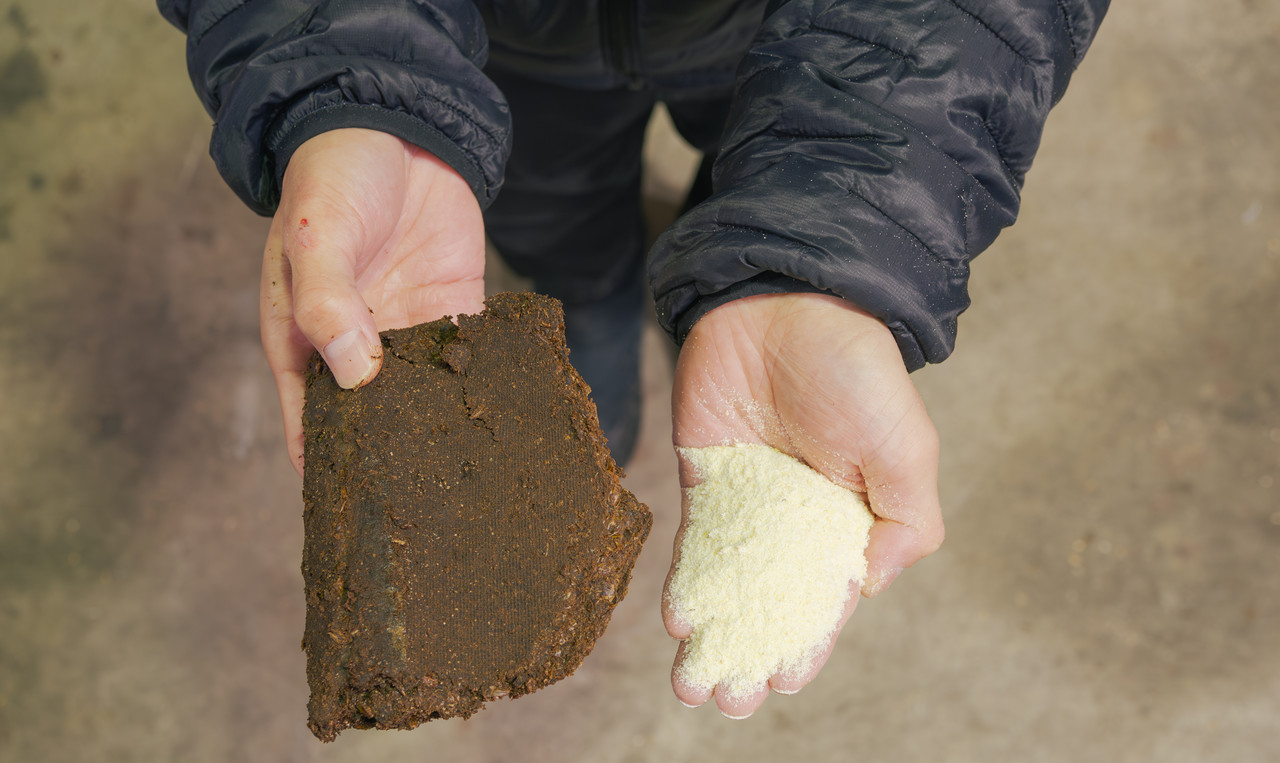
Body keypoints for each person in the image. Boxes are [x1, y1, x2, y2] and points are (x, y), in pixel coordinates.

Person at [160, 0, 1108, 719]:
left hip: (809, 32)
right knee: (557, 237)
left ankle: (704, 290)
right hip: (487, 40)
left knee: (748, 204)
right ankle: (595, 353)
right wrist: (348, 78)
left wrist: (834, 240)